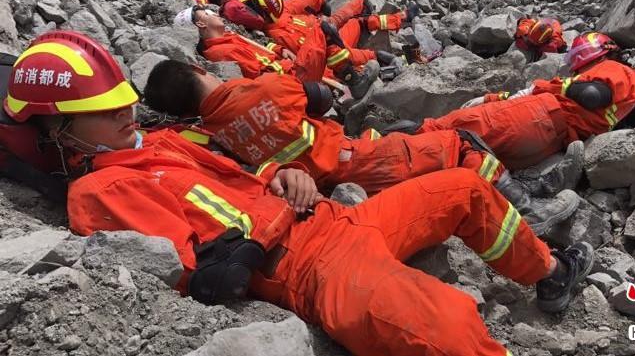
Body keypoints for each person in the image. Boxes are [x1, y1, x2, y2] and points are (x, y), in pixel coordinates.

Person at [6, 30, 594, 356]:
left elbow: (241, 178)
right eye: (107, 111)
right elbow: (195, 268)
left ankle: (546, 271)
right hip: (312, 268)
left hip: (331, 217)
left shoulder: (159, 144)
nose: (127, 113)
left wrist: (283, 178)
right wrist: (252, 236)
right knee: (447, 329)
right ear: (58, 129)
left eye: (126, 102)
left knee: (464, 190)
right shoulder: (99, 190)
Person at [144, 60, 584, 236]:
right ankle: (529, 211)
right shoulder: (258, 90)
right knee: (460, 142)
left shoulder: (205, 135)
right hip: (350, 165)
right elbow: (317, 96)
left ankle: (530, 187)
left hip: (327, 175)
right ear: (197, 68)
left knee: (415, 129)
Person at [385, 33, 635, 185]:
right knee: (461, 159)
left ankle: (372, 155)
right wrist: (493, 98)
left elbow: (590, 95)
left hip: (540, 115)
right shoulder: (623, 96)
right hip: (547, 140)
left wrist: (557, 85)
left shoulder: (613, 69)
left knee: (441, 130)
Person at [204, 0, 415, 97]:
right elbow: (320, 58)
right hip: (329, 47)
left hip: (326, 36)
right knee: (355, 25)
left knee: (358, 20)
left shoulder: (279, 20)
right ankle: (390, 54)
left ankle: (400, 21)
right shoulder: (278, 32)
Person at [173, 5, 328, 83]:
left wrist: (279, 50)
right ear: (200, 24)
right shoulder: (222, 52)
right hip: (295, 78)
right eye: (207, 13)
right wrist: (289, 65)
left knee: (350, 27)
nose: (213, 13)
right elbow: (263, 76)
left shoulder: (227, 37)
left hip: (292, 66)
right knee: (325, 30)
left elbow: (259, 48)